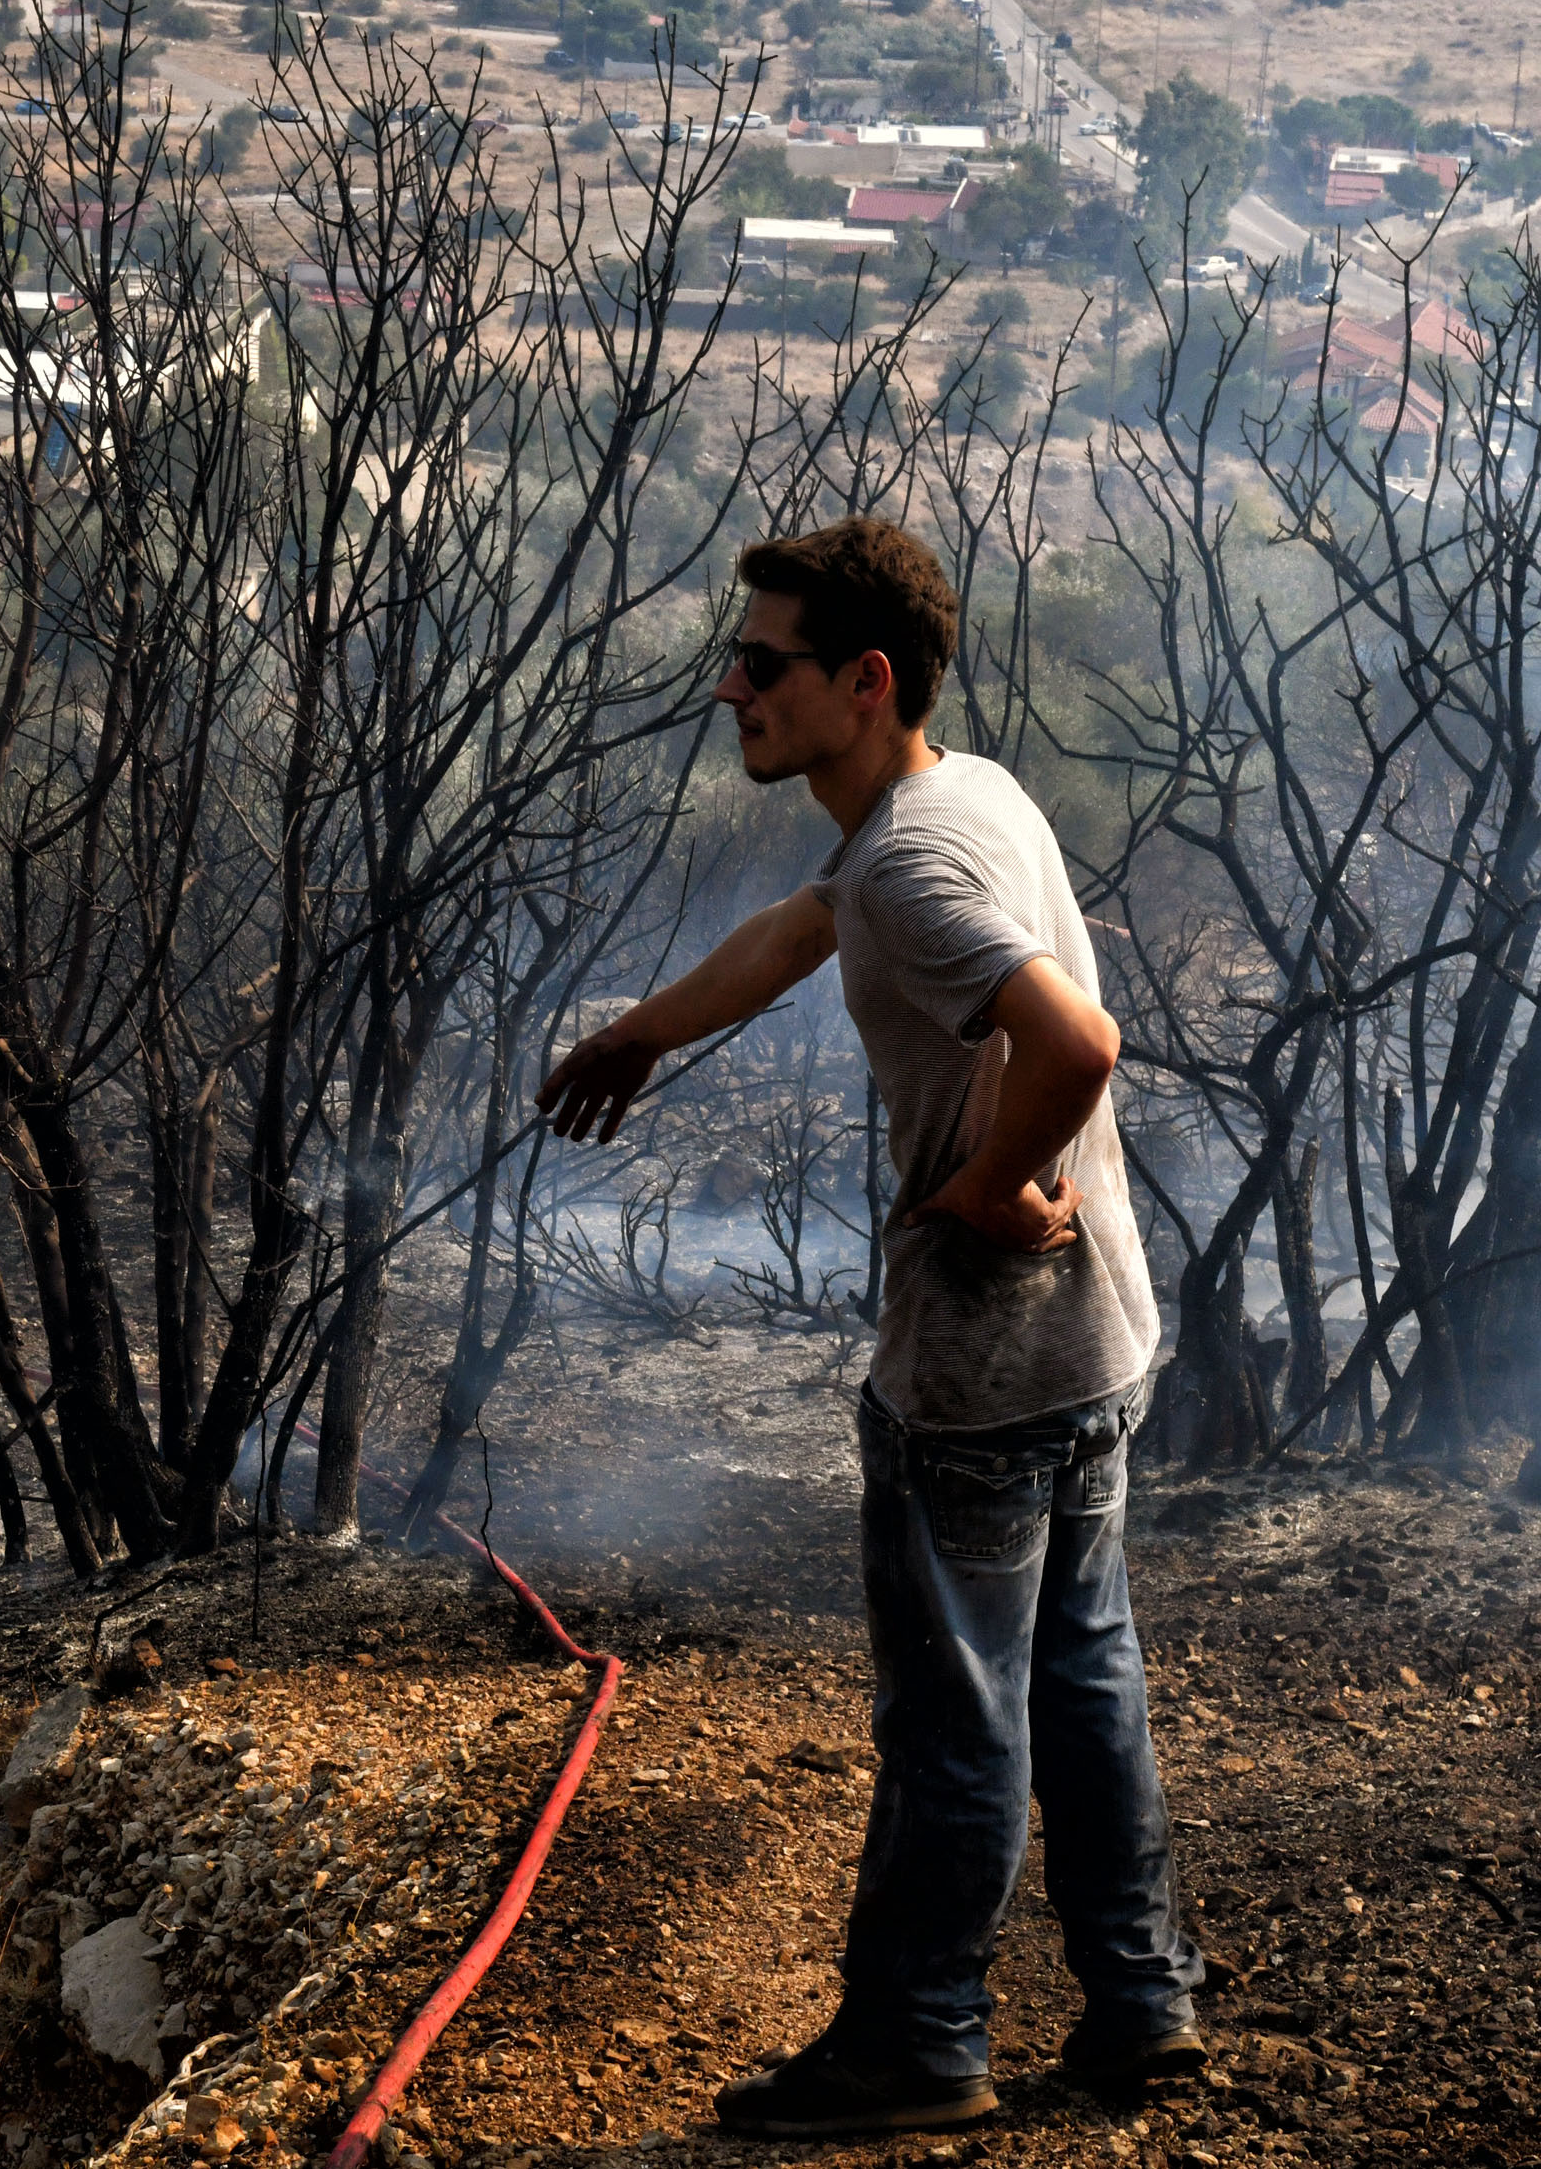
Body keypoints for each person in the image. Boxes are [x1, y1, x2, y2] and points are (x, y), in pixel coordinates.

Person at [537, 518, 1203, 2138]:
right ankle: (1140, 2004)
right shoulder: (951, 801)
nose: (733, 688)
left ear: (863, 680)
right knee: (1080, 1675)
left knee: (954, 1712)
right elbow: (803, 928)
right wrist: (644, 1027)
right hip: (1096, 1340)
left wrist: (987, 1184)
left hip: (983, 1370)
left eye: (763, 664)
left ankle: (915, 2037)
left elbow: (1080, 1041)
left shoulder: (910, 856)